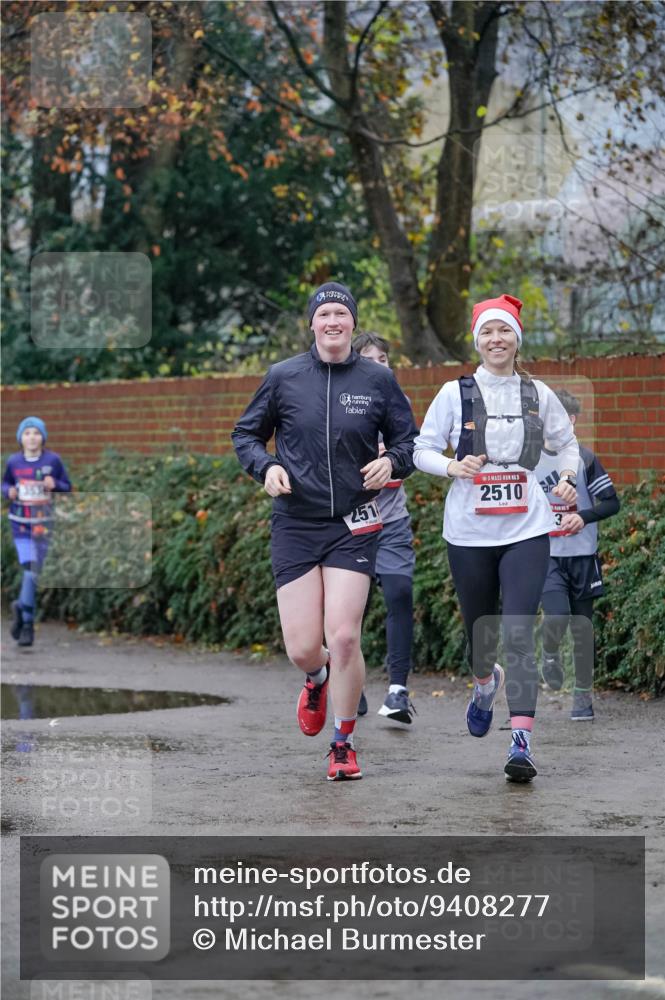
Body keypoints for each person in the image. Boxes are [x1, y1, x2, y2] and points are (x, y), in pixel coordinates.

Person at [232, 282, 418, 781]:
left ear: (353, 324)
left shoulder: (377, 381)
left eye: (341, 313)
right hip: (295, 522)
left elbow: (408, 441)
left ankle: (343, 742)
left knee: (344, 636)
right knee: (302, 647)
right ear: (312, 324)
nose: (333, 321)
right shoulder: (284, 377)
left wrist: (393, 462)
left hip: (354, 526)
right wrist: (265, 467)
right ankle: (315, 678)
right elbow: (245, 434)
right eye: (324, 314)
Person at [413, 294, 579, 782]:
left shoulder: (537, 392)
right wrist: (451, 465)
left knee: (518, 632)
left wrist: (567, 474)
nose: (496, 339)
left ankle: (521, 743)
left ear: (516, 339)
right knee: (480, 638)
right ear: (477, 341)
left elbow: (566, 443)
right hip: (468, 531)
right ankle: (485, 683)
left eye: (504, 331)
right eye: (487, 332)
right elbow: (421, 449)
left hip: (528, 527)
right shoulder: (454, 393)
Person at [536, 388, 620, 720]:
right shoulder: (529, 461)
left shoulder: (585, 459)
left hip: (583, 555)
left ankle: (583, 697)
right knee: (556, 615)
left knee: (583, 628)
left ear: (570, 420)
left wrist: (582, 516)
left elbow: (611, 502)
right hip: (547, 555)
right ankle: (551, 654)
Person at [352, 331, 416, 726]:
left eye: (384, 359)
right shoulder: (340, 402)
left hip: (391, 520)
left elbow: (411, 451)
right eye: (369, 359)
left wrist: (394, 459)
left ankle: (397, 690)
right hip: (350, 523)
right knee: (348, 609)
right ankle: (350, 682)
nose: (379, 366)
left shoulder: (399, 403)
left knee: (399, 591)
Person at [2, 417, 72, 647]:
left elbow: (67, 486)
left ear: (43, 437)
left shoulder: (53, 460)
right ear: (20, 438)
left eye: (36, 433)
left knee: (33, 572)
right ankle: (28, 626)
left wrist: (56, 485)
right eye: (27, 433)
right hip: (20, 523)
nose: (32, 438)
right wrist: (9, 491)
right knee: (30, 570)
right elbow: (4, 484)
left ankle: (21, 608)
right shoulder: (14, 461)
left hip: (43, 524)